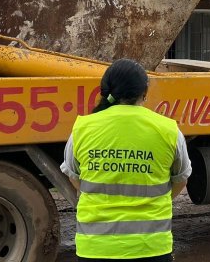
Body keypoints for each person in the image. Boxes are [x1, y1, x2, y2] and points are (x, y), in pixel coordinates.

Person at [60, 58, 192, 261]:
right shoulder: (168, 130)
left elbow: (74, 177)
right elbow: (181, 179)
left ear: (105, 90)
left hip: (95, 247)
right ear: (145, 92)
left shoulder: (82, 128)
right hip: (150, 246)